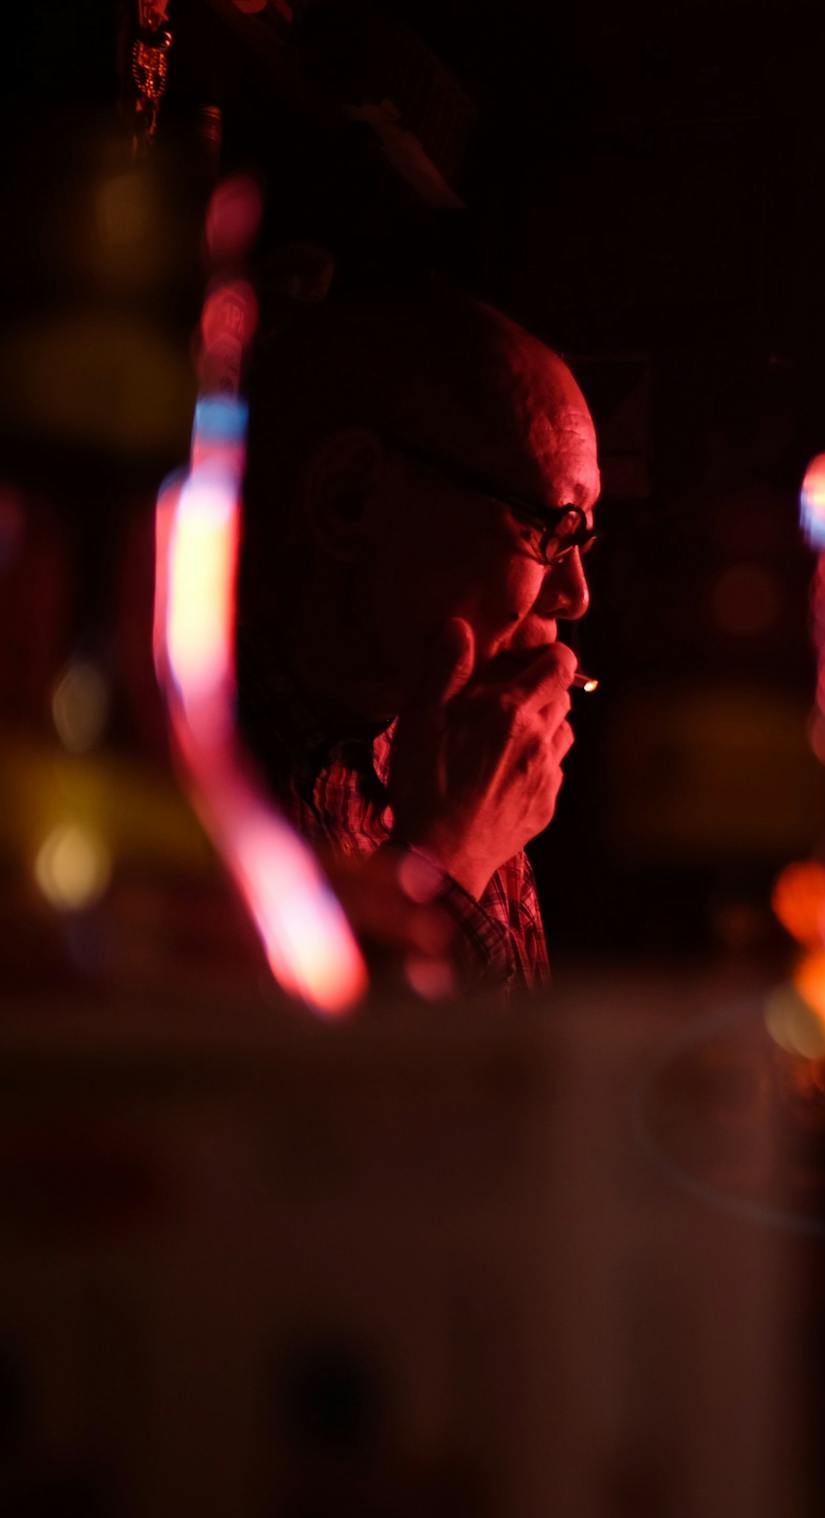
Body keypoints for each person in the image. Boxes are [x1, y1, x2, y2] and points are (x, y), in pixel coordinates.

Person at [235, 283, 595, 994]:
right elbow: (293, 1100)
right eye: (549, 531)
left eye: (584, 537)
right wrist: (447, 863)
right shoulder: (183, 775)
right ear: (350, 497)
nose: (575, 594)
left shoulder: (456, 757)